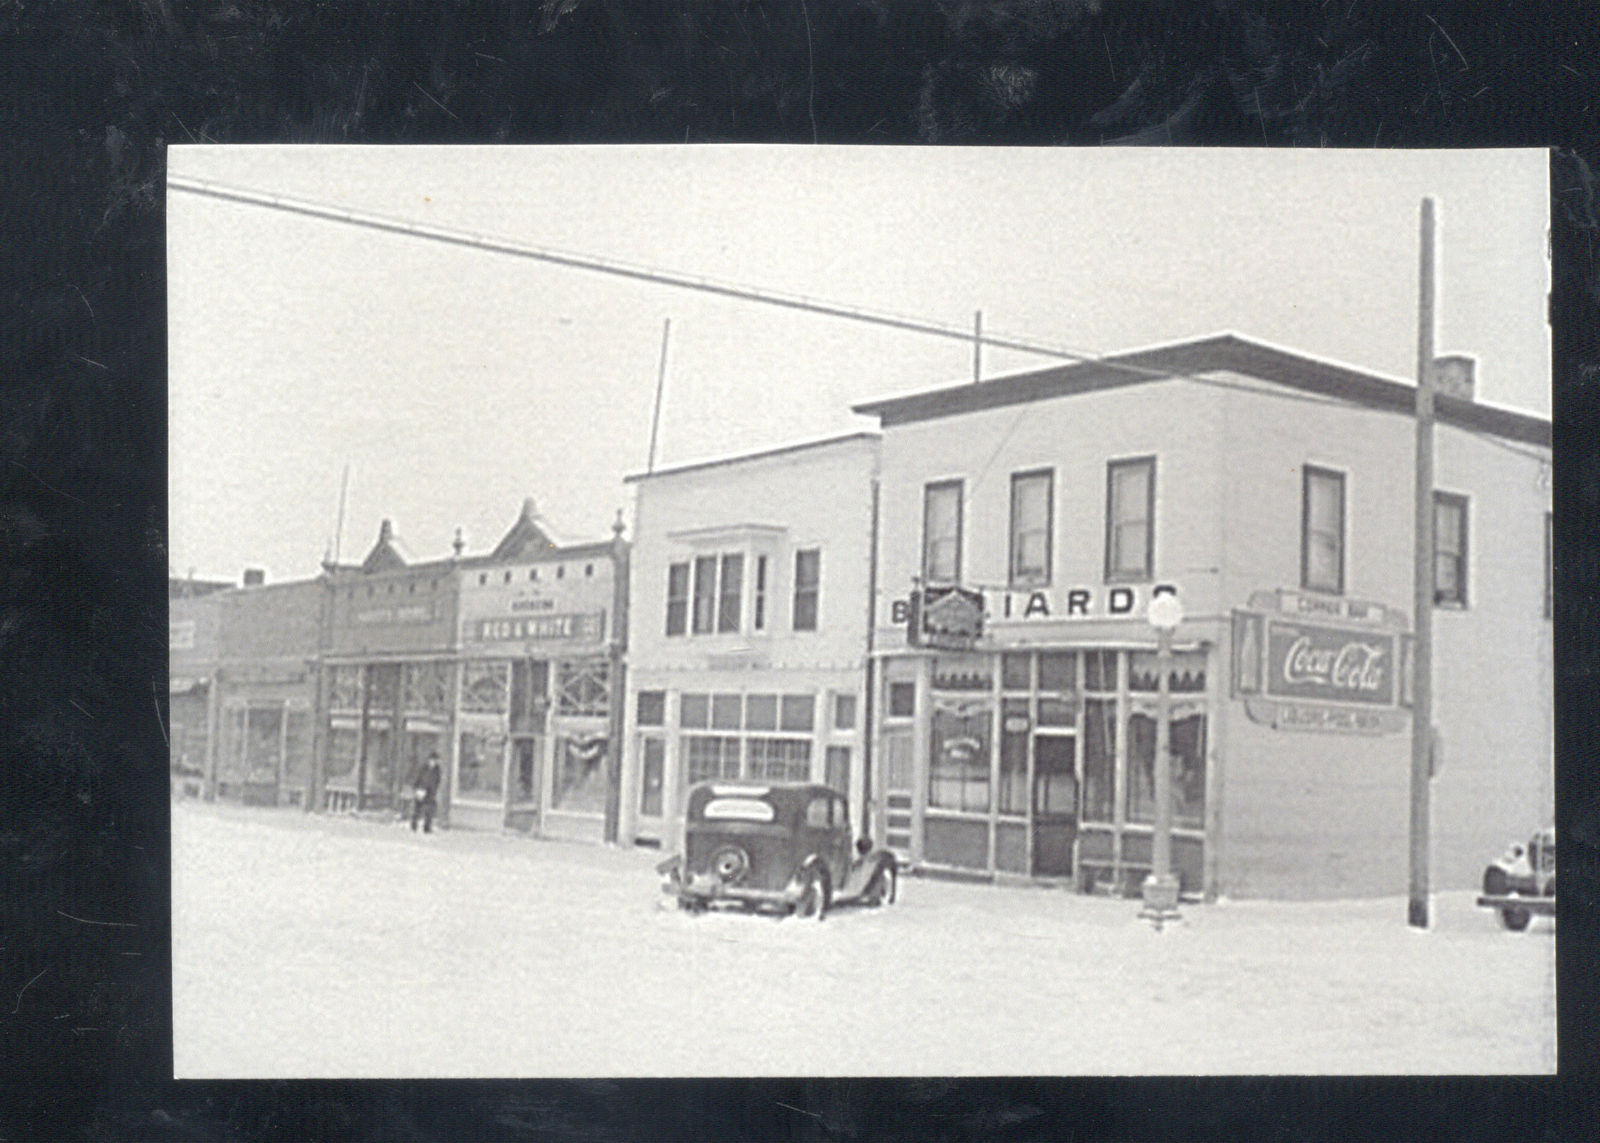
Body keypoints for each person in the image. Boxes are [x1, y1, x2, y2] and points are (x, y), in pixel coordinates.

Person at [410, 753, 443, 833]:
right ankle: (414, 825)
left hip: (430, 793)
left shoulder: (437, 771)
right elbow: (418, 778)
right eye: (432, 760)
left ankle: (427, 827)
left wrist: (432, 791)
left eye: (435, 761)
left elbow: (436, 782)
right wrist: (417, 788)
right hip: (421, 790)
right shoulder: (423, 769)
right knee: (417, 809)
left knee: (429, 810)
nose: (433, 762)